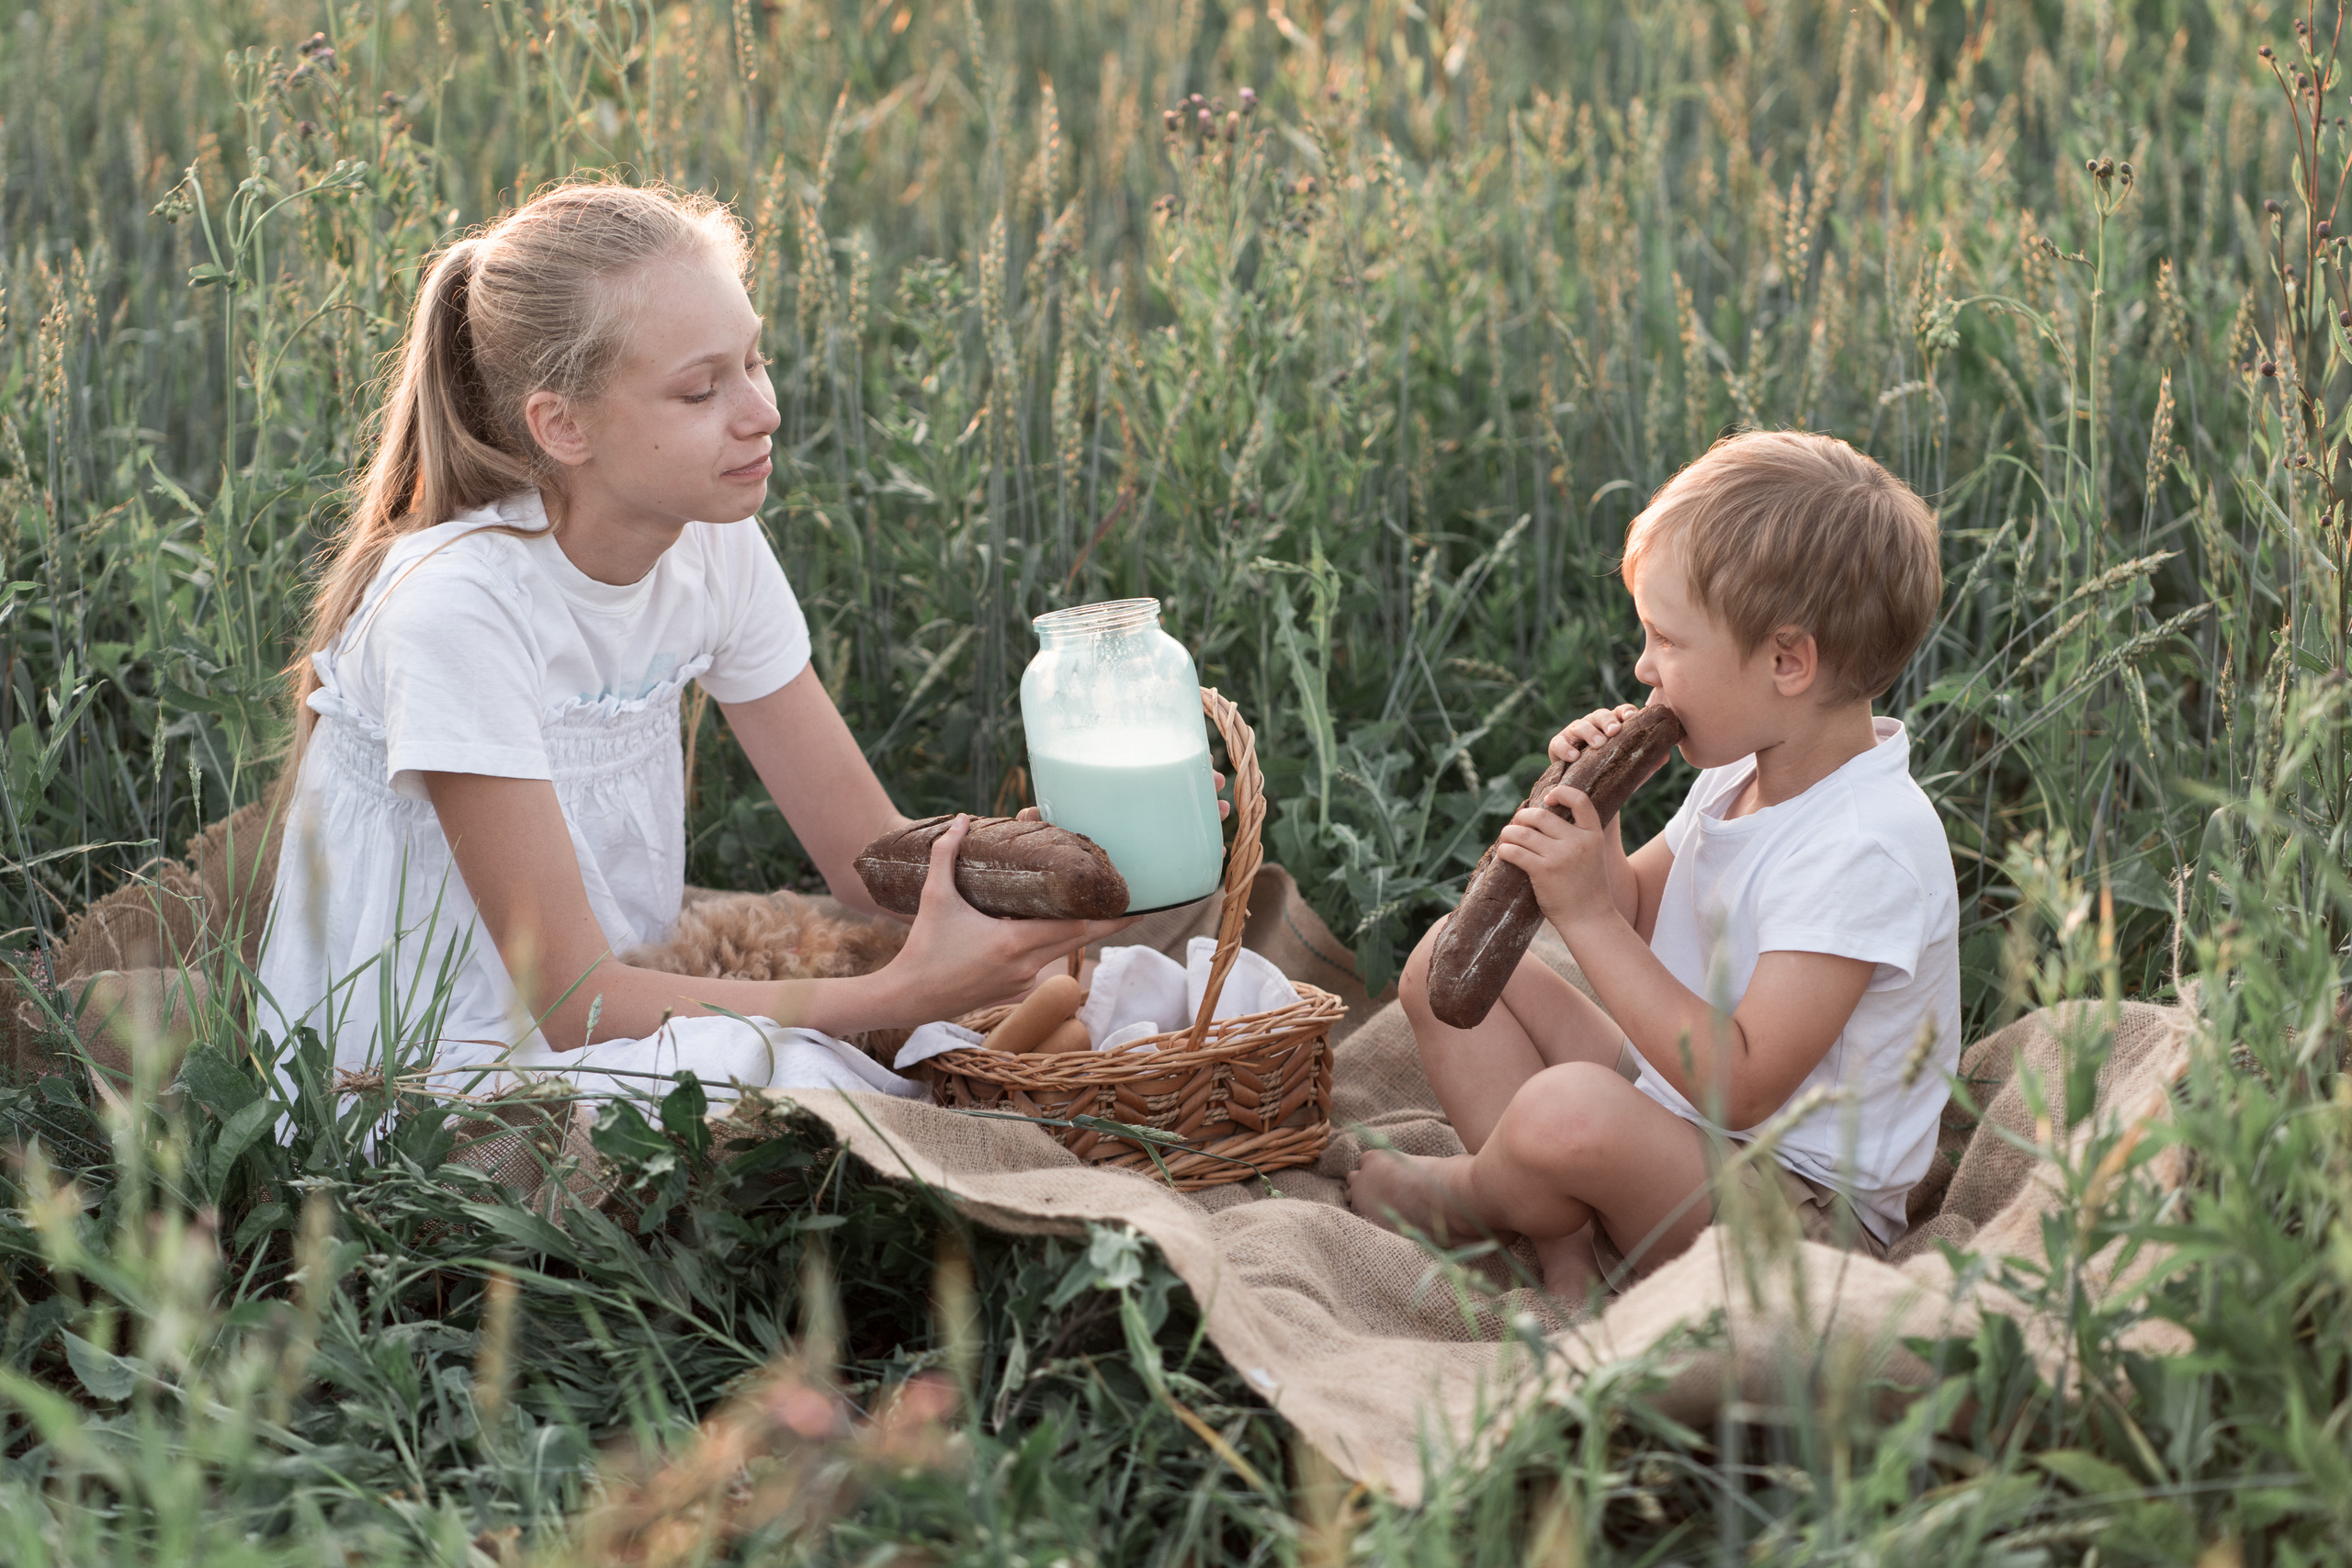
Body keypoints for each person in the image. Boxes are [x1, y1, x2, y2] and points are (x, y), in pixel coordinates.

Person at [257, 179, 1130, 1103]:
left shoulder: (712, 543)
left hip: (627, 999)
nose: (763, 413)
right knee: (801, 1081)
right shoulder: (458, 611)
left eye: (755, 363)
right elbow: (570, 1001)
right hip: (418, 1065)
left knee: (1130, 992)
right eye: (702, 388)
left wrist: (1035, 885)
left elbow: (869, 860)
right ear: (562, 425)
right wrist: (904, 991)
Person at [1347, 430, 1959, 1300]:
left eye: (1666, 640)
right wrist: (1598, 823)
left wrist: (1586, 917)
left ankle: (1467, 1199)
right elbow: (1634, 910)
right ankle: (1570, 1255)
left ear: (1788, 661)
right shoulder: (1739, 772)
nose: (1642, 669)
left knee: (1568, 1112)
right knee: (1448, 963)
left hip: (1794, 1215)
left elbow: (1740, 1086)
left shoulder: (1867, 843)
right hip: (1676, 1113)